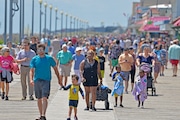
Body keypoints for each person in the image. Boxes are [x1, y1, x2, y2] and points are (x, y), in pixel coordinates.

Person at [30, 44, 62, 120]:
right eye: (39, 50)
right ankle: (40, 114)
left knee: (45, 97)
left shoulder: (49, 58)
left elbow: (55, 69)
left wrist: (59, 79)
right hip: (37, 80)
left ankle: (43, 115)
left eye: (41, 50)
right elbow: (31, 70)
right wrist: (31, 79)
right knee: (39, 98)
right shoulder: (34, 59)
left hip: (46, 80)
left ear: (44, 50)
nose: (40, 51)